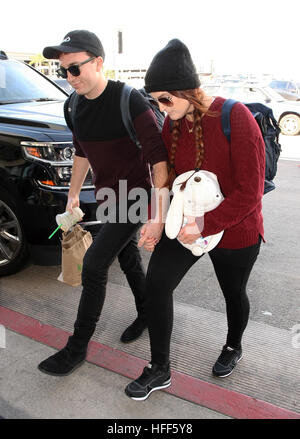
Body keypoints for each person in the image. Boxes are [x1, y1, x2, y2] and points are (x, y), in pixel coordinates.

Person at [125, 39, 265, 401]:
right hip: (186, 219)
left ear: (188, 90)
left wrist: (205, 225)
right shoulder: (173, 124)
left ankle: (233, 346)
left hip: (235, 225)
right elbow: (167, 178)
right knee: (157, 284)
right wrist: (157, 220)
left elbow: (250, 192)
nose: (161, 107)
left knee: (233, 292)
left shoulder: (236, 117)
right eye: (155, 100)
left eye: (166, 99)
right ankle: (159, 369)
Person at [38, 30, 168, 376]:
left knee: (94, 265)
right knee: (127, 257)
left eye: (75, 69)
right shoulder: (76, 105)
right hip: (108, 194)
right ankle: (146, 311)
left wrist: (158, 213)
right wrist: (73, 194)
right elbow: (82, 151)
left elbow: (158, 158)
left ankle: (76, 348)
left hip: (137, 195)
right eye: (62, 71)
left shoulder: (129, 100)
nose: (68, 77)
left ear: (98, 63)